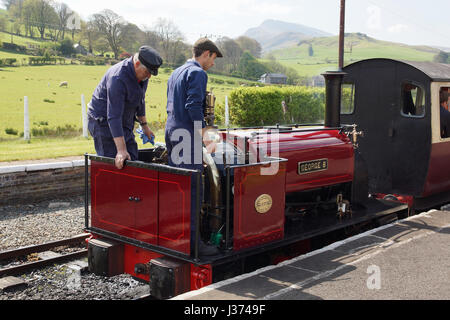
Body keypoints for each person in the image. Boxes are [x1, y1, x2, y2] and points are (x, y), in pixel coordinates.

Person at [164, 38, 223, 256]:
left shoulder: (176, 72)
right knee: (193, 190)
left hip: (172, 131)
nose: (213, 64)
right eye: (213, 59)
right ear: (206, 54)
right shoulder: (198, 73)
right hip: (186, 136)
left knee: (178, 189)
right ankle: (193, 244)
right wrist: (206, 135)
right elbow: (193, 106)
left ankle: (175, 238)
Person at [87, 46, 163, 169]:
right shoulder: (117, 78)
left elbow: (140, 99)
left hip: (125, 119)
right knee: (113, 162)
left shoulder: (142, 75)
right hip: (103, 121)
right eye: (147, 72)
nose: (149, 77)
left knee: (132, 157)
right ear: (137, 64)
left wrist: (144, 126)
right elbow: (113, 116)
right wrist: (121, 150)